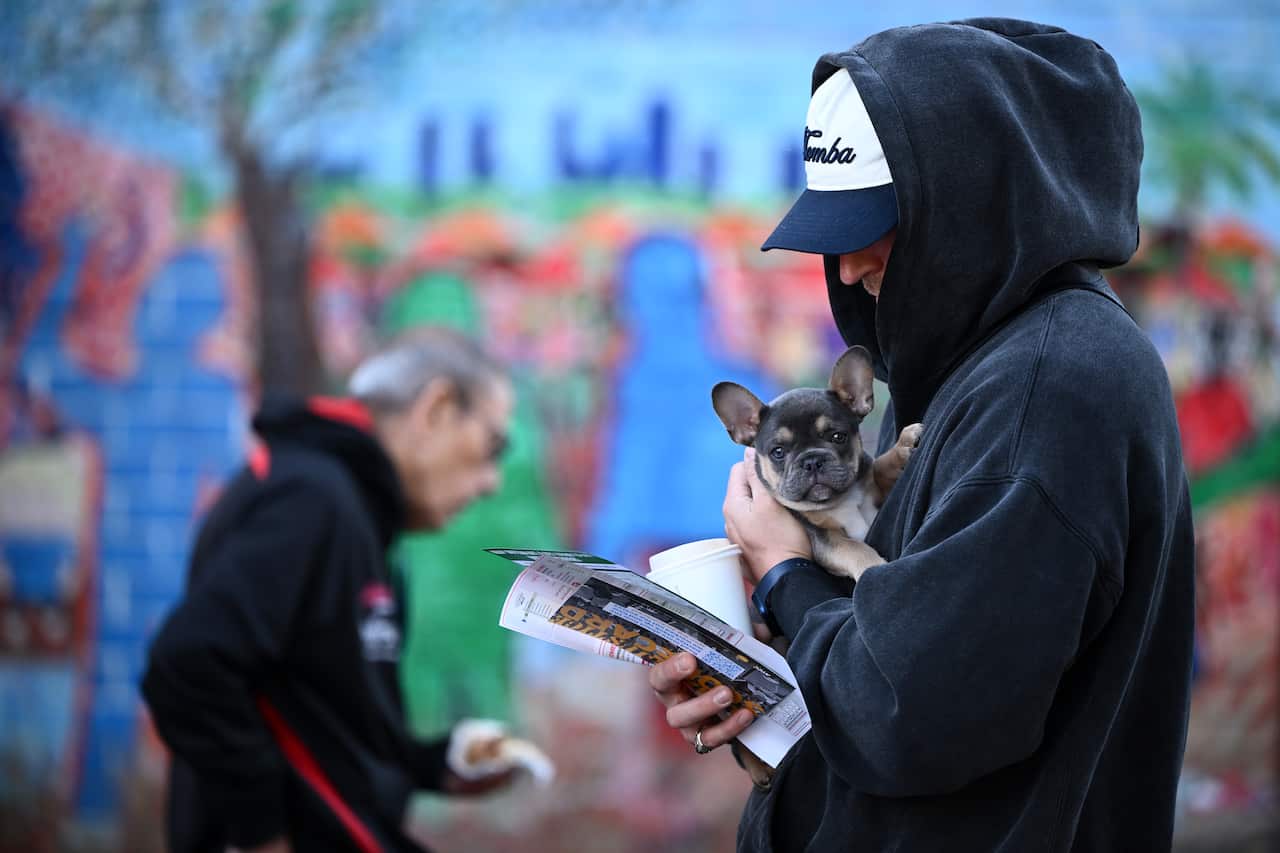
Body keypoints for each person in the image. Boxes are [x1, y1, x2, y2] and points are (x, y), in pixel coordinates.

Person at [650, 18, 1195, 852]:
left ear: (975, 204)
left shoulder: (1047, 391)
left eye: (875, 224)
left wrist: (784, 576)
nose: (849, 267)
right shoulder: (1004, 368)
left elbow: (912, 712)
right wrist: (758, 676)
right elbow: (916, 650)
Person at [142, 329, 527, 853]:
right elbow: (189, 664)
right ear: (435, 409)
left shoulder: (358, 514)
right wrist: (260, 833)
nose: (492, 482)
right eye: (493, 446)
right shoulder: (312, 498)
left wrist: (435, 766)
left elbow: (326, 727)